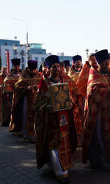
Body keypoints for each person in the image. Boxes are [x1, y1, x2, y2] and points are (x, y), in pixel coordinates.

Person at [34, 55, 77, 183]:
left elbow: (70, 98)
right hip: (51, 121)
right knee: (54, 145)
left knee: (64, 143)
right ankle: (60, 171)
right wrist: (46, 107)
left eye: (58, 66)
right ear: (48, 68)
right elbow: (37, 104)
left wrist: (71, 104)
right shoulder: (44, 84)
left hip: (64, 119)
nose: (57, 68)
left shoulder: (65, 81)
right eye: (54, 67)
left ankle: (63, 166)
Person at [82, 49, 110, 171]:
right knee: (101, 136)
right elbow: (92, 91)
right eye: (103, 63)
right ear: (99, 63)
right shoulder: (94, 74)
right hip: (100, 113)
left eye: (108, 63)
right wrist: (108, 91)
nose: (106, 65)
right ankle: (102, 161)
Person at [10, 60, 42, 142]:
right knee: (26, 118)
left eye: (34, 69)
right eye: (31, 70)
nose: (33, 71)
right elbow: (17, 88)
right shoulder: (23, 76)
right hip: (26, 101)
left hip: (37, 100)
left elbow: (43, 86)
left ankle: (37, 135)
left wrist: (37, 88)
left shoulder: (39, 75)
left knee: (37, 118)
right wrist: (26, 88)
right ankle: (27, 135)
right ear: (28, 68)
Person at [2, 59, 21, 127]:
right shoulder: (8, 77)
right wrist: (7, 101)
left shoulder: (22, 76)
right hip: (12, 97)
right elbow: (6, 90)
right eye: (15, 66)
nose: (17, 68)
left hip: (22, 97)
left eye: (18, 66)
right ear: (13, 67)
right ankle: (14, 126)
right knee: (14, 112)